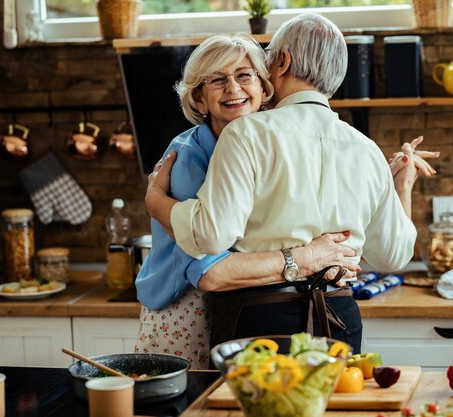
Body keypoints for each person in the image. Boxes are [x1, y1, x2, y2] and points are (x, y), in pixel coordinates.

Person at [146, 14, 439, 354]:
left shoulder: (246, 134)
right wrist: (402, 186)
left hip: (262, 318)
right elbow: (393, 255)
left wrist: (157, 203)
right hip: (340, 316)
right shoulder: (366, 149)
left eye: (268, 56)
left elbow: (212, 236)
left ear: (282, 61)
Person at [135, 34, 360, 369]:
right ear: (199, 100)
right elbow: (209, 270)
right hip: (187, 307)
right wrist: (308, 257)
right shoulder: (189, 159)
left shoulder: (265, 143)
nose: (233, 88)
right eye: (217, 80)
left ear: (264, 87)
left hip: (243, 297)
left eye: (244, 75)